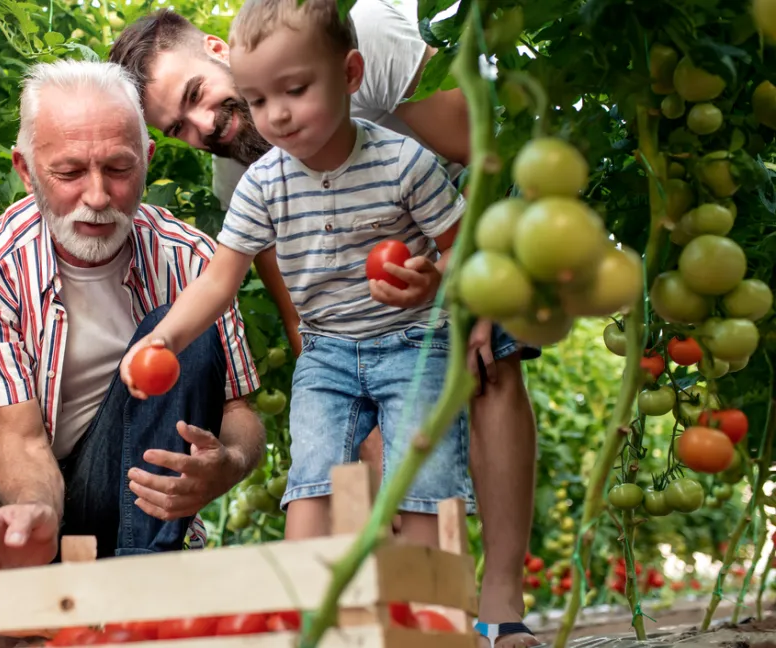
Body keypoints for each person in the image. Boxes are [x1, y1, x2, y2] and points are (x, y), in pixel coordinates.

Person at [109, 2, 539, 646]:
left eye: (197, 95)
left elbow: (491, 157)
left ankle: (499, 605)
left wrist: (469, 293)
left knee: (490, 367)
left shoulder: (363, 38)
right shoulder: (249, 177)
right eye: (179, 129)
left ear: (221, 49)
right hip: (360, 321)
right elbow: (296, 310)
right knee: (336, 471)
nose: (204, 126)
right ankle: (356, 614)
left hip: (465, 215)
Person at [0, 60, 265, 585]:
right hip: (11, 488)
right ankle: (12, 582)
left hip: (124, 492)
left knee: (176, 334)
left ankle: (139, 596)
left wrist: (231, 462)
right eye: (68, 173)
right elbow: (19, 439)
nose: (98, 197)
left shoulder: (192, 261)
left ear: (148, 159)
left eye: (119, 169)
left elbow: (238, 411)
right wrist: (34, 515)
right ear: (25, 169)